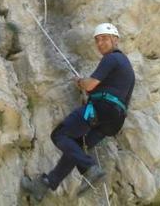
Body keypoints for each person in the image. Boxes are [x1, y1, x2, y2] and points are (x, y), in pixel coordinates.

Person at [21, 23, 135, 201]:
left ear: (115, 39)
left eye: (104, 38)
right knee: (75, 148)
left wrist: (81, 82)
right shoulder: (126, 67)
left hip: (102, 109)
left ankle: (90, 168)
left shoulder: (112, 58)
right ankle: (45, 184)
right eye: (97, 40)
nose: (100, 43)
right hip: (114, 121)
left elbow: (90, 84)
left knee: (60, 135)